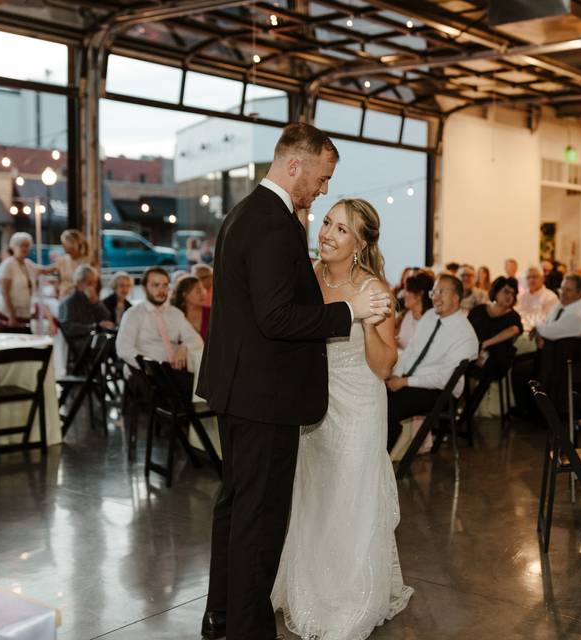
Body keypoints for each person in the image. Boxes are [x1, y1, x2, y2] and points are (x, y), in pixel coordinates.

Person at [196, 123, 391, 640]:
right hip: (265, 397)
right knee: (259, 522)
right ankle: (248, 629)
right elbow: (276, 319)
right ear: (295, 166)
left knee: (235, 509)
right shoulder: (274, 224)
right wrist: (348, 311)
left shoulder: (245, 213)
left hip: (241, 390)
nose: (323, 189)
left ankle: (221, 616)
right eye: (322, 178)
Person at [273, 197, 412, 640]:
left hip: (358, 406)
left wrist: (369, 323)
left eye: (341, 230)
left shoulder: (375, 289)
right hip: (313, 403)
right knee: (314, 494)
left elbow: (385, 366)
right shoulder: (308, 277)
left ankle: (349, 595)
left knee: (349, 496)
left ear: (361, 242)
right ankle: (307, 584)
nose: (327, 234)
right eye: (327, 223)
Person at [385, 274, 478, 452]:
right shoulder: (429, 316)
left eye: (441, 292)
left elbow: (444, 378)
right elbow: (411, 351)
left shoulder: (466, 335)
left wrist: (404, 382)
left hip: (440, 391)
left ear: (457, 297)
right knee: (374, 396)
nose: (435, 297)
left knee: (388, 410)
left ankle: (379, 467)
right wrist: (396, 373)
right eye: (433, 292)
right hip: (412, 379)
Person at [115, 266, 202, 372]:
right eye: (155, 285)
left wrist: (184, 347)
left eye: (165, 285)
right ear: (144, 288)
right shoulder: (133, 314)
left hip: (175, 372)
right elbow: (124, 350)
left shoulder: (175, 313)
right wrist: (149, 367)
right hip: (144, 373)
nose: (161, 290)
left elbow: (196, 340)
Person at [467, 277, 523, 380]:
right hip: (473, 352)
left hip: (496, 358)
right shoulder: (479, 310)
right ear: (496, 291)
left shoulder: (513, 316)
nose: (509, 296)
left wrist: (485, 344)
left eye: (513, 294)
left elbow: (514, 330)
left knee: (476, 368)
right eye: (506, 292)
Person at [58, 264, 114, 358]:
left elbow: (107, 317)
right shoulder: (69, 302)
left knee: (115, 340)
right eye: (89, 283)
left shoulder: (90, 299)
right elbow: (69, 328)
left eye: (95, 283)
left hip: (92, 339)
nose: (93, 286)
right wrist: (94, 327)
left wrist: (96, 302)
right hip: (79, 343)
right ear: (79, 283)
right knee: (109, 343)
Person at [0, 232, 46, 332]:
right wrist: (11, 315)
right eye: (22, 245)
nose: (25, 248)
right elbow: (4, 292)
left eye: (27, 246)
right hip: (9, 314)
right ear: (14, 246)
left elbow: (44, 270)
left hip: (24, 314)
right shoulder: (8, 264)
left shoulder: (28, 264)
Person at [532, 274, 581, 347]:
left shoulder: (579, 313)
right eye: (562, 288)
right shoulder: (563, 304)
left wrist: (537, 328)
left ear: (579, 293)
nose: (563, 293)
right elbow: (547, 322)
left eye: (568, 290)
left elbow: (551, 332)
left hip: (570, 356)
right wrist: (539, 330)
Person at [396, 272, 433, 350]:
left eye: (407, 290)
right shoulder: (405, 315)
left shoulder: (432, 321)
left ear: (420, 294)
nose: (404, 294)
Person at [171, 274, 210, 341]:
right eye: (198, 291)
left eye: (203, 290)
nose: (203, 294)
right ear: (185, 294)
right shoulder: (175, 314)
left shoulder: (212, 313)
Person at [55, 229, 91, 299]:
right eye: (63, 244)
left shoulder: (86, 261)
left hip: (80, 298)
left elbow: (88, 283)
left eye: (65, 244)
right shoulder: (62, 260)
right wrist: (57, 290)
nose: (63, 247)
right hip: (63, 297)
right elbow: (59, 278)